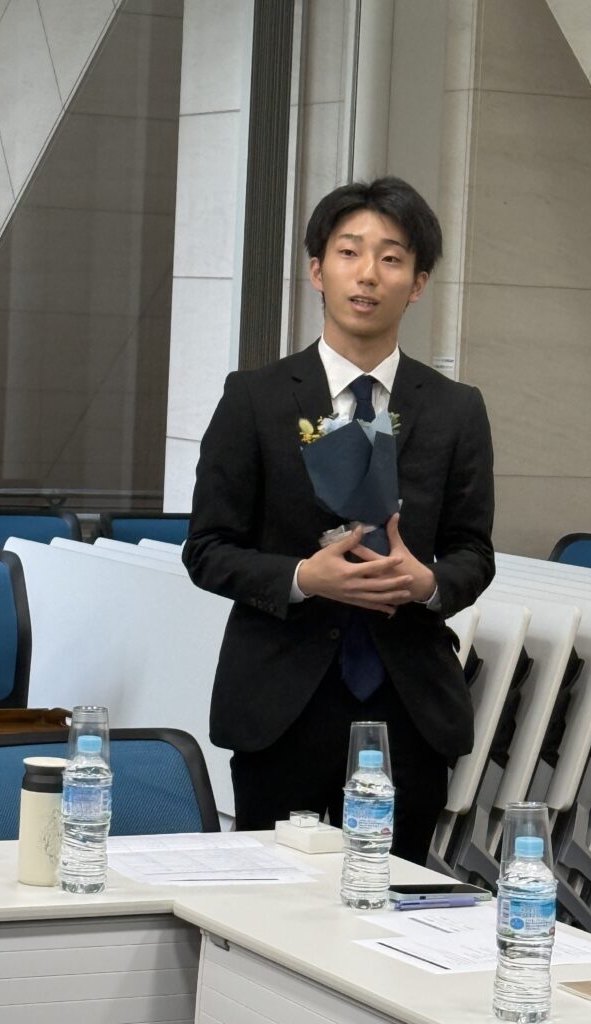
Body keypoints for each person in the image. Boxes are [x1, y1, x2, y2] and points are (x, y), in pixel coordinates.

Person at [183, 176, 495, 865]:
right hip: (281, 701)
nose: (368, 273)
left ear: (418, 283)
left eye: (392, 258)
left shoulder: (455, 409)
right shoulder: (255, 398)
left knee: (394, 897)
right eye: (350, 252)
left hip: (408, 707)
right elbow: (206, 549)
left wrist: (427, 583)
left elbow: (474, 552)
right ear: (317, 271)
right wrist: (303, 576)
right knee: (270, 896)